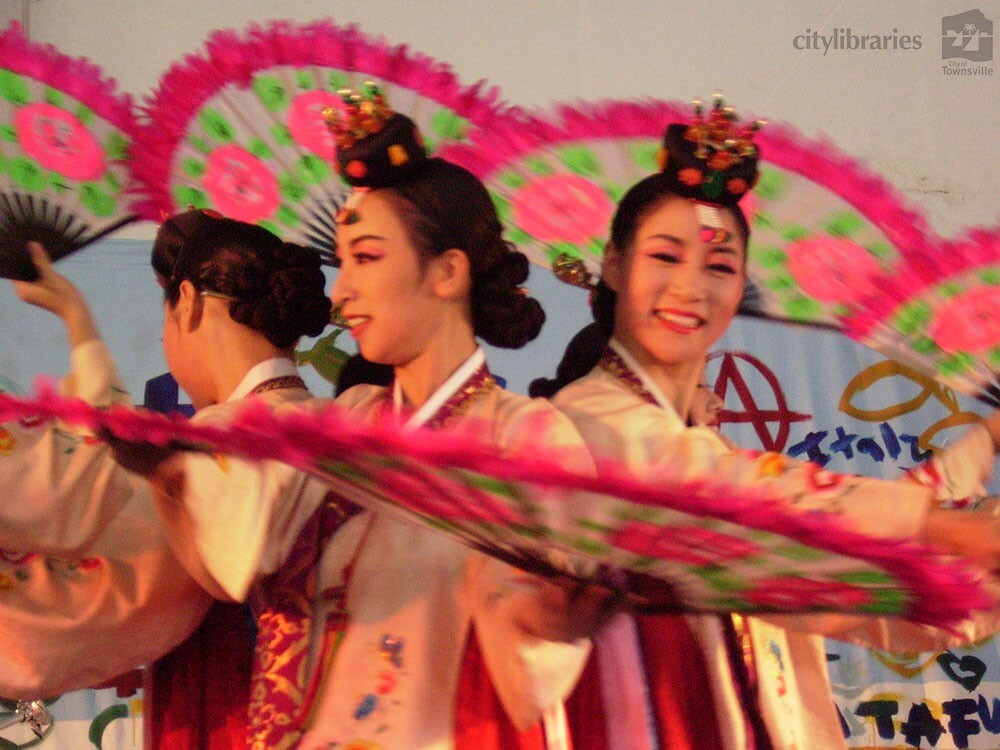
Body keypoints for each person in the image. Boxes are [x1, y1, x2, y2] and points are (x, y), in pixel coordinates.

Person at [109, 91, 605, 749]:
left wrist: (547, 622)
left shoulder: (527, 437)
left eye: (366, 259)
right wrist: (172, 478)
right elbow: (239, 568)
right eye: (342, 264)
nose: (341, 292)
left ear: (447, 272)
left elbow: (535, 669)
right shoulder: (343, 421)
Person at [531, 100, 1000, 750]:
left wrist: (965, 562)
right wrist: (939, 524)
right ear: (613, 263)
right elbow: (740, 491)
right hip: (649, 720)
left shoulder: (711, 447)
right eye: (665, 257)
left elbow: (833, 576)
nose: (691, 287)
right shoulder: (586, 419)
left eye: (719, 267)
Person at [0, 212, 334, 748]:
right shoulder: (340, 428)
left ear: (190, 300)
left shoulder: (206, 447)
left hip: (233, 714)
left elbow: (74, 499)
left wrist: (79, 322)